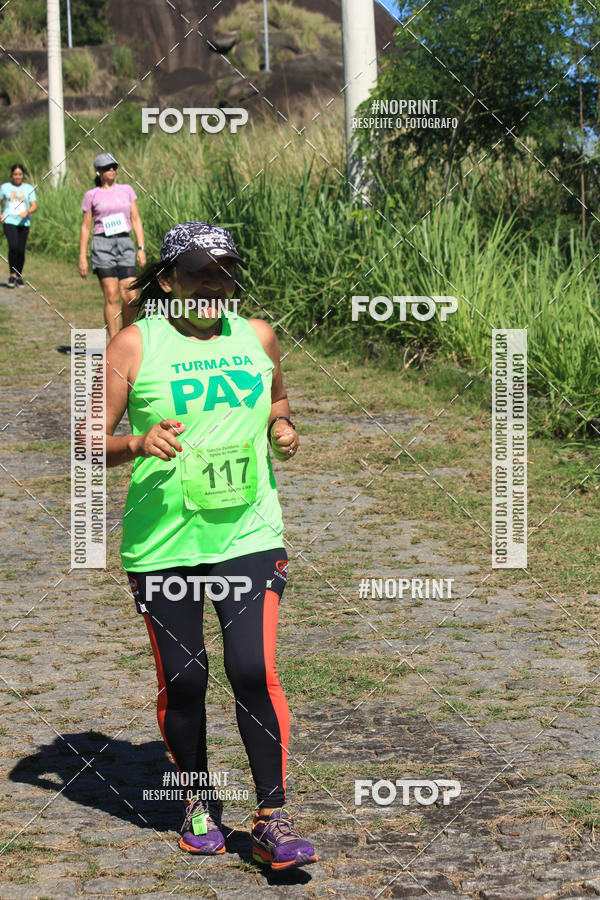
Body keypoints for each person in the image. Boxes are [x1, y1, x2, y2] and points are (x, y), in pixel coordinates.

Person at [102, 222, 318, 871]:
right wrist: (137, 444)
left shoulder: (258, 336)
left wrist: (282, 425)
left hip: (249, 533)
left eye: (223, 272)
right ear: (167, 280)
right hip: (164, 543)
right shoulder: (136, 344)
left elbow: (279, 400)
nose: (212, 284)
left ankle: (271, 818)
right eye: (197, 272)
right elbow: (88, 440)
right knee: (186, 678)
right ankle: (196, 800)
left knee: (252, 669)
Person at [78, 152, 146, 339]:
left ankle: (127, 335)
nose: (112, 170)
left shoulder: (127, 190)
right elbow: (86, 227)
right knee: (112, 295)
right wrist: (82, 257)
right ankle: (115, 341)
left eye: (114, 167)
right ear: (99, 171)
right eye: (107, 168)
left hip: (124, 243)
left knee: (131, 295)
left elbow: (135, 218)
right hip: (102, 244)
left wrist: (141, 248)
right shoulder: (92, 195)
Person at [0, 163, 37, 287]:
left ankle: (19, 276)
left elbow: (34, 206)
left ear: (23, 175)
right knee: (13, 246)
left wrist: (27, 211)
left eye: (20, 174)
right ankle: (12, 275)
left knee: (21, 250)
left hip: (24, 222)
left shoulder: (28, 188)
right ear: (12, 175)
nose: (17, 176)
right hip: (9, 221)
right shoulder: (5, 187)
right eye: (15, 174)